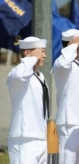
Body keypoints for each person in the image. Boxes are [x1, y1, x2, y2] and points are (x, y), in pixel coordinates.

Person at [51, 29, 79, 164]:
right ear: (71, 45)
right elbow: (64, 63)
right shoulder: (62, 64)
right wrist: (73, 45)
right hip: (68, 122)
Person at [7, 36, 48, 164]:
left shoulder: (40, 76)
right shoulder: (16, 74)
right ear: (27, 53)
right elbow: (21, 75)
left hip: (40, 138)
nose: (44, 56)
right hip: (24, 139)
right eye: (40, 51)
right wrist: (32, 58)